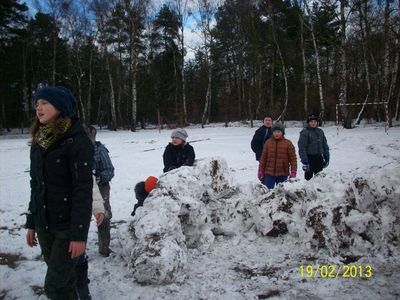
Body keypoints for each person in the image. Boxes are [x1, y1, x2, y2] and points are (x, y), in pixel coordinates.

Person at [26, 86, 93, 300]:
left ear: (60, 107)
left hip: (66, 228)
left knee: (55, 287)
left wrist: (79, 235)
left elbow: (83, 190)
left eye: (44, 103)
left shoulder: (77, 141)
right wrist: (31, 221)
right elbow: (36, 185)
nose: (39, 108)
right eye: (37, 104)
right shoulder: (39, 142)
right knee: (64, 282)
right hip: (45, 224)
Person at [85, 125, 114, 257]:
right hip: (80, 188)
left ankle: (104, 246)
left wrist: (100, 177)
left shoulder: (99, 150)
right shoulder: (72, 150)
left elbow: (109, 170)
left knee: (104, 215)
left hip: (101, 187)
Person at [75, 179, 105, 300]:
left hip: (78, 218)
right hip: (52, 221)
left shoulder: (80, 161)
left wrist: (98, 209)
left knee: (78, 257)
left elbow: (91, 186)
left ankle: (82, 290)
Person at [258, 123, 297, 189]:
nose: (276, 134)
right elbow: (263, 158)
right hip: (268, 173)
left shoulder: (288, 143)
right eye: (275, 131)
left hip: (283, 173)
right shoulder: (268, 142)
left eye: (279, 132)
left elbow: (293, 160)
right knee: (267, 192)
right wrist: (260, 170)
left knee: (281, 194)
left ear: (282, 132)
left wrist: (293, 172)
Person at [297, 114, 330, 181]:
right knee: (308, 178)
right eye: (311, 122)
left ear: (317, 123)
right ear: (308, 123)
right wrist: (305, 161)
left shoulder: (320, 132)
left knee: (319, 178)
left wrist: (326, 158)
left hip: (319, 157)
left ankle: (319, 190)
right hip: (309, 158)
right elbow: (302, 147)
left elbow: (325, 145)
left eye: (315, 122)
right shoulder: (305, 132)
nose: (313, 123)